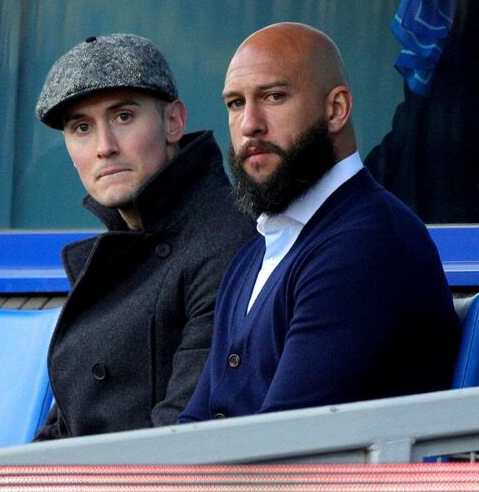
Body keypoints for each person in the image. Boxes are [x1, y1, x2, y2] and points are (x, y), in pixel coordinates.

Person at [179, 23, 461, 422]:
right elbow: (193, 427)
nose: (248, 126)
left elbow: (288, 448)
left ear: (336, 110)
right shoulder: (254, 256)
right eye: (235, 104)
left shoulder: (365, 246)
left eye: (274, 97)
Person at [33, 34, 255, 439]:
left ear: (173, 122)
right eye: (81, 127)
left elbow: (183, 432)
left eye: (123, 117)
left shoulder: (228, 238)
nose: (104, 147)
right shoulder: (117, 253)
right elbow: (59, 431)